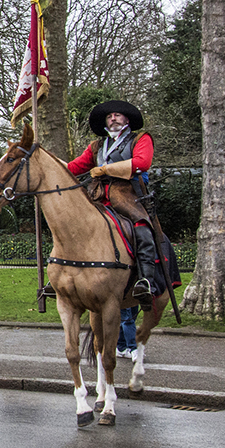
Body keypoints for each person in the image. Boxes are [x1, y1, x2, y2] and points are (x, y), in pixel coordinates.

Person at [66, 100, 157, 310]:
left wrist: (106, 169)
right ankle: (64, 276)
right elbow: (74, 167)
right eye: (109, 116)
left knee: (142, 228)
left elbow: (142, 163)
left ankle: (145, 282)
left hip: (128, 195)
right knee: (73, 227)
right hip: (98, 196)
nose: (113, 118)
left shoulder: (140, 139)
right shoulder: (97, 146)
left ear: (127, 119)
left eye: (117, 115)